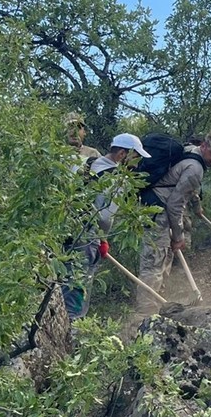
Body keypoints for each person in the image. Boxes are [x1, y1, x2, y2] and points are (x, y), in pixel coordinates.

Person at [137, 130, 211, 314]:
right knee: (154, 261)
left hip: (157, 208)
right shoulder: (195, 168)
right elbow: (175, 204)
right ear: (204, 146)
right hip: (158, 211)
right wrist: (178, 237)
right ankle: (145, 312)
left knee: (163, 258)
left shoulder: (189, 151)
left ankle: (158, 303)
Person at [61, 133, 152, 320]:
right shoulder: (117, 179)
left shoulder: (86, 162)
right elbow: (104, 217)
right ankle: (71, 326)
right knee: (79, 282)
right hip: (87, 236)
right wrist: (102, 239)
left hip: (65, 229)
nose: (138, 163)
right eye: (136, 157)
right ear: (121, 154)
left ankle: (52, 322)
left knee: (61, 278)